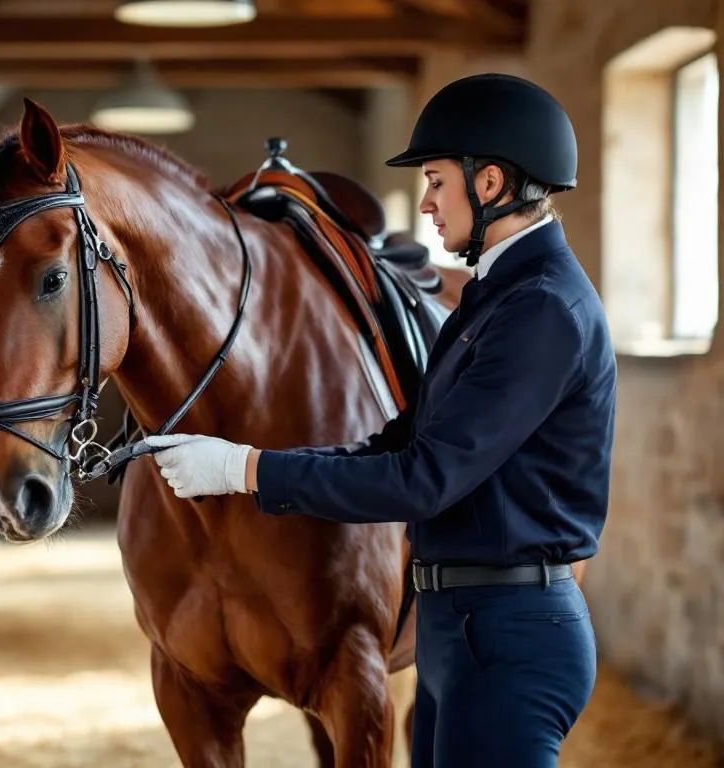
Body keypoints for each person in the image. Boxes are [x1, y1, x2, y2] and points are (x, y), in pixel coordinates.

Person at [142, 73, 617, 768]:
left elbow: (424, 479)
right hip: (459, 630)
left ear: (490, 184)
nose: (425, 205)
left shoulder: (542, 310)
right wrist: (245, 459)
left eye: (435, 181)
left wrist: (244, 469)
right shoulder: (495, 293)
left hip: (512, 631)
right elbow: (398, 441)